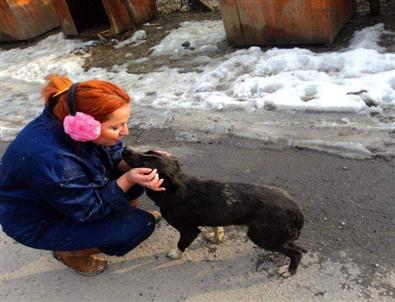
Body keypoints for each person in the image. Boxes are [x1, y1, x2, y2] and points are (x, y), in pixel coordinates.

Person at [0, 74, 167, 276]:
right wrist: (126, 179)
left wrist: (138, 162)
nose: (125, 131)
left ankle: (117, 212)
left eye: (125, 123)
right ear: (86, 126)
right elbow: (88, 210)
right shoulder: (55, 160)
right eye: (116, 127)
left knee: (138, 174)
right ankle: (70, 253)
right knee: (138, 226)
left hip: (64, 197)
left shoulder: (68, 120)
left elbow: (112, 153)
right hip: (38, 221)